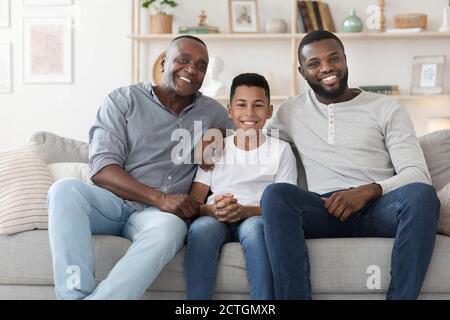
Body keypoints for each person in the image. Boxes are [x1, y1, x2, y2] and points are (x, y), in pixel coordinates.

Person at [47, 35, 233, 300]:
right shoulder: (123, 100)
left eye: (201, 66)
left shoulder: (215, 114)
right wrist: (161, 198)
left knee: (171, 229)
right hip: (111, 204)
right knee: (63, 190)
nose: (192, 69)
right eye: (183, 60)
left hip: (157, 218)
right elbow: (101, 167)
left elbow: (252, 148)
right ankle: (73, 296)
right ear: (163, 63)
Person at [261, 30, 440, 300]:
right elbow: (253, 143)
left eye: (334, 58)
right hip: (322, 208)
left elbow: (417, 174)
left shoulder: (385, 107)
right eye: (314, 64)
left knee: (422, 195)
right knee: (276, 195)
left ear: (345, 59)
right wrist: (211, 138)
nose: (326, 68)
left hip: (379, 208)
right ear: (302, 71)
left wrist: (367, 191)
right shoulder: (290, 110)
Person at [184, 73, 298, 300]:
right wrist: (212, 210)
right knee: (200, 230)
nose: (249, 113)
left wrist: (245, 211)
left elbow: (285, 207)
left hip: (257, 215)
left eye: (258, 105)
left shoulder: (281, 150)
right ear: (229, 110)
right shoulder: (215, 148)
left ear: (269, 111)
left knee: (256, 231)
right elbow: (195, 202)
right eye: (241, 105)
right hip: (215, 216)